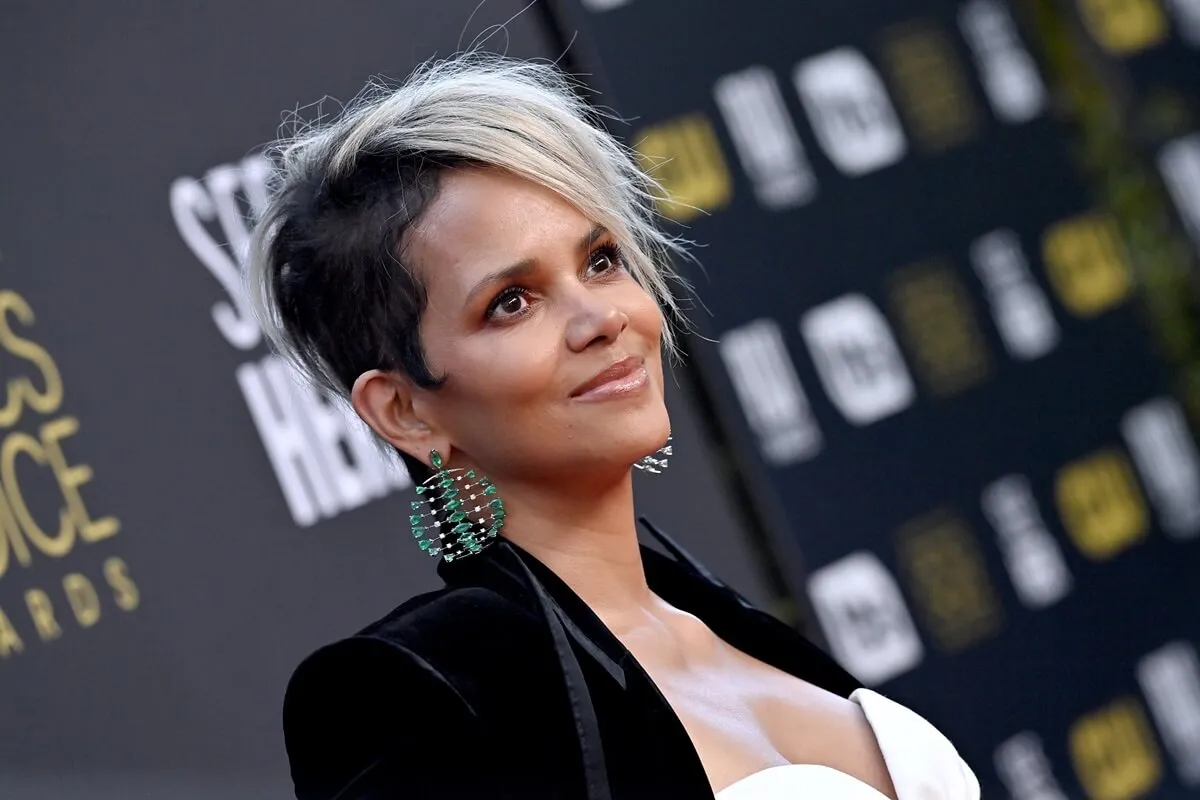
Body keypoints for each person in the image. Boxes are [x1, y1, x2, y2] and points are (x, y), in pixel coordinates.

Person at [249, 52, 980, 800]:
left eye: (600, 260)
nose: (602, 318)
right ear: (405, 411)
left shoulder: (736, 628)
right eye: (512, 301)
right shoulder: (421, 696)